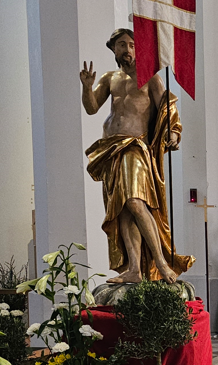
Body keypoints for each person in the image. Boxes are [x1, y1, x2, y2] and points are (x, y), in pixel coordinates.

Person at [82, 29, 193, 284]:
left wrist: (173, 132)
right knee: (122, 209)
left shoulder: (150, 77)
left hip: (136, 147)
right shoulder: (110, 78)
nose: (128, 50)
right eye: (122, 45)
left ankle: (162, 264)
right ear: (114, 49)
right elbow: (91, 108)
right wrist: (87, 88)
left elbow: (167, 105)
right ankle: (134, 268)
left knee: (134, 201)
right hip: (111, 149)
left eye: (132, 45)